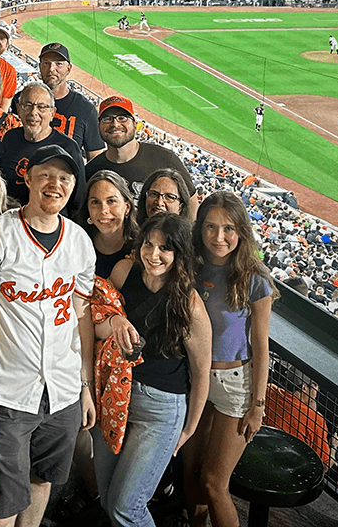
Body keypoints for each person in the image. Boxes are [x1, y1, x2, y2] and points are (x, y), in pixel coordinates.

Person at [0, 144, 97, 527]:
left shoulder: (79, 242)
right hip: (8, 395)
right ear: (28, 179)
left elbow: (82, 316)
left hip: (64, 391)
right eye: (46, 175)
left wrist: (85, 384)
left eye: (65, 178)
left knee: (42, 481)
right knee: (2, 503)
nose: (55, 184)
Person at [91, 213, 212, 527]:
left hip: (161, 408)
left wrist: (189, 428)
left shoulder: (190, 304)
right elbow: (97, 322)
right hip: (114, 396)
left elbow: (201, 372)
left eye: (164, 249)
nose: (153, 254)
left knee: (125, 508)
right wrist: (114, 321)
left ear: (179, 254)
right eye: (148, 244)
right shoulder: (124, 270)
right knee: (107, 499)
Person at [182, 191, 275, 527]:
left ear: (241, 232)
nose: (218, 237)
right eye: (210, 227)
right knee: (190, 473)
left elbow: (261, 346)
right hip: (195, 379)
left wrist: (258, 405)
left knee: (214, 483)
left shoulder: (255, 278)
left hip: (235, 385)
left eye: (228, 229)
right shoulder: (189, 265)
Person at [86, 95, 197, 218]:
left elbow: (191, 204)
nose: (115, 123)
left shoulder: (166, 159)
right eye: (107, 119)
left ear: (134, 124)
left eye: (122, 118)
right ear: (98, 126)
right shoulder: (91, 171)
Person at [0, 81, 86, 216]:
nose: (34, 112)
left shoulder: (68, 147)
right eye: (28, 105)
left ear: (52, 113)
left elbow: (78, 199)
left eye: (42, 107)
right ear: (19, 109)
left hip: (51, 224)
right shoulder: (10, 138)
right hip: (11, 220)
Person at [13, 42, 104, 160]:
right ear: (40, 66)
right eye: (46, 63)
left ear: (69, 69)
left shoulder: (86, 109)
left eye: (58, 64)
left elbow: (95, 159)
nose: (51, 69)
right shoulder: (22, 99)